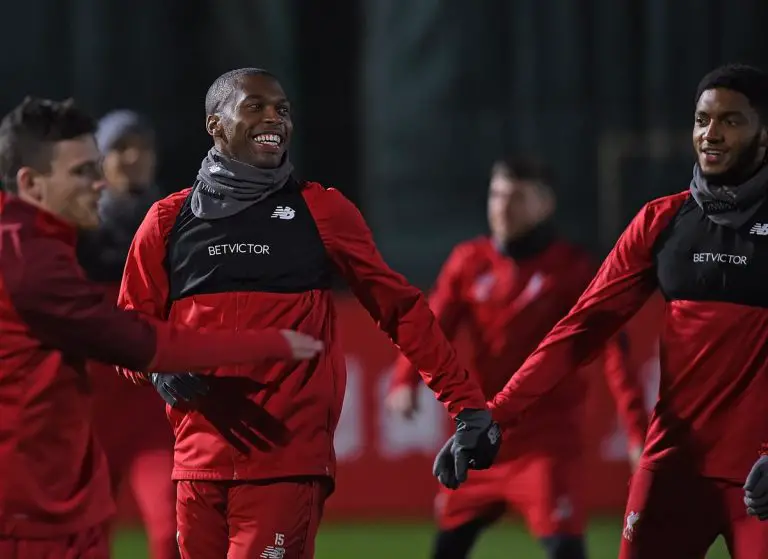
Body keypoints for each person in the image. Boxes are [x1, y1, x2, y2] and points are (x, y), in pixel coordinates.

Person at [115, 67, 499, 559]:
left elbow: (400, 309)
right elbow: (127, 331)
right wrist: (158, 365)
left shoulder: (324, 212)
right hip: (197, 466)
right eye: (255, 106)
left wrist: (466, 405)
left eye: (282, 109)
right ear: (215, 125)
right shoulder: (168, 220)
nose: (274, 117)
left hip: (286, 464)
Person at [433, 63, 768, 559]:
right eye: (702, 119)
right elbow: (579, 330)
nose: (710, 134)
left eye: (731, 121)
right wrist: (494, 416)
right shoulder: (662, 221)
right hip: (672, 469)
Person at [0, 96, 324, 559]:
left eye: (98, 166)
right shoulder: (34, 253)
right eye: (85, 170)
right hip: (63, 455)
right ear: (32, 183)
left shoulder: (168, 223)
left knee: (168, 530)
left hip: (136, 417)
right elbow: (132, 337)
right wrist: (265, 342)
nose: (103, 179)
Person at [387, 157, 647, 559]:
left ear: (545, 205)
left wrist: (636, 433)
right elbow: (431, 328)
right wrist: (404, 379)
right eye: (496, 195)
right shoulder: (469, 261)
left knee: (564, 548)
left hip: (547, 441)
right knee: (447, 547)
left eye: (517, 197)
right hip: (481, 432)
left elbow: (615, 351)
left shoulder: (573, 270)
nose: (502, 207)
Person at [77, 110, 178, 559]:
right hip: (87, 414)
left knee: (173, 531)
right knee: (83, 539)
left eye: (142, 146)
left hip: (153, 412)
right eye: (120, 147)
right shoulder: (74, 229)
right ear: (99, 160)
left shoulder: (181, 223)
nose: (133, 157)